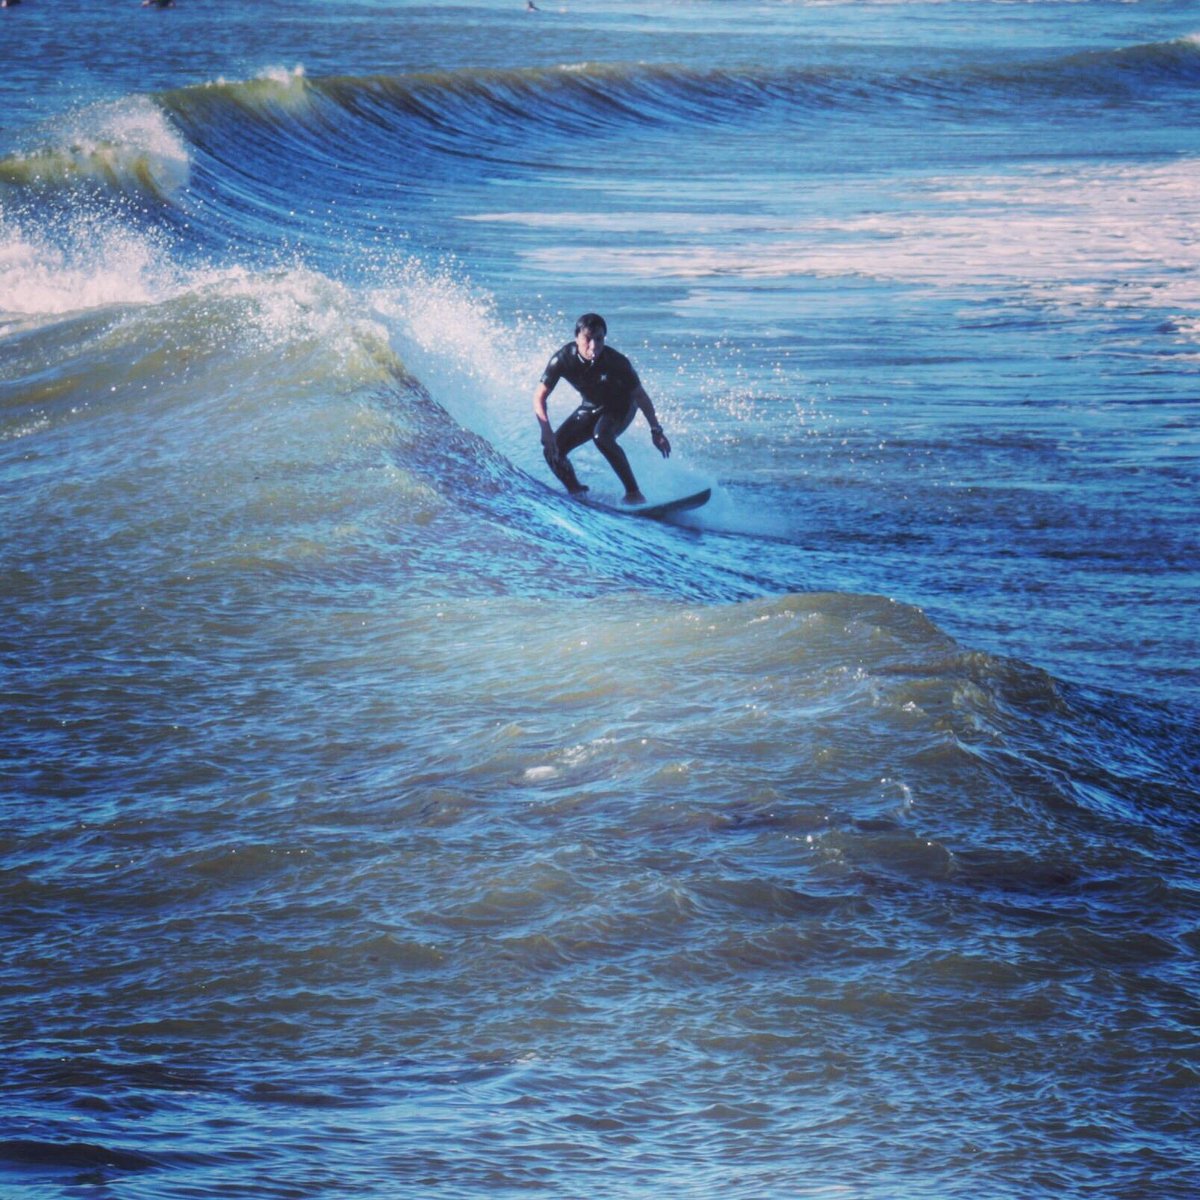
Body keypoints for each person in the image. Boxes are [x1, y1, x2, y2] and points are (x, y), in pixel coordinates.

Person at [533, 313, 671, 503]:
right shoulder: (563, 359)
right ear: (576, 338)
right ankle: (576, 491)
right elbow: (539, 397)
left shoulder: (616, 362)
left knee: (602, 437)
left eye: (599, 339)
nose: (594, 346)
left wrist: (656, 430)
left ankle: (634, 494)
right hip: (590, 407)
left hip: (621, 407)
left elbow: (640, 396)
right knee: (552, 450)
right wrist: (546, 430)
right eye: (588, 339)